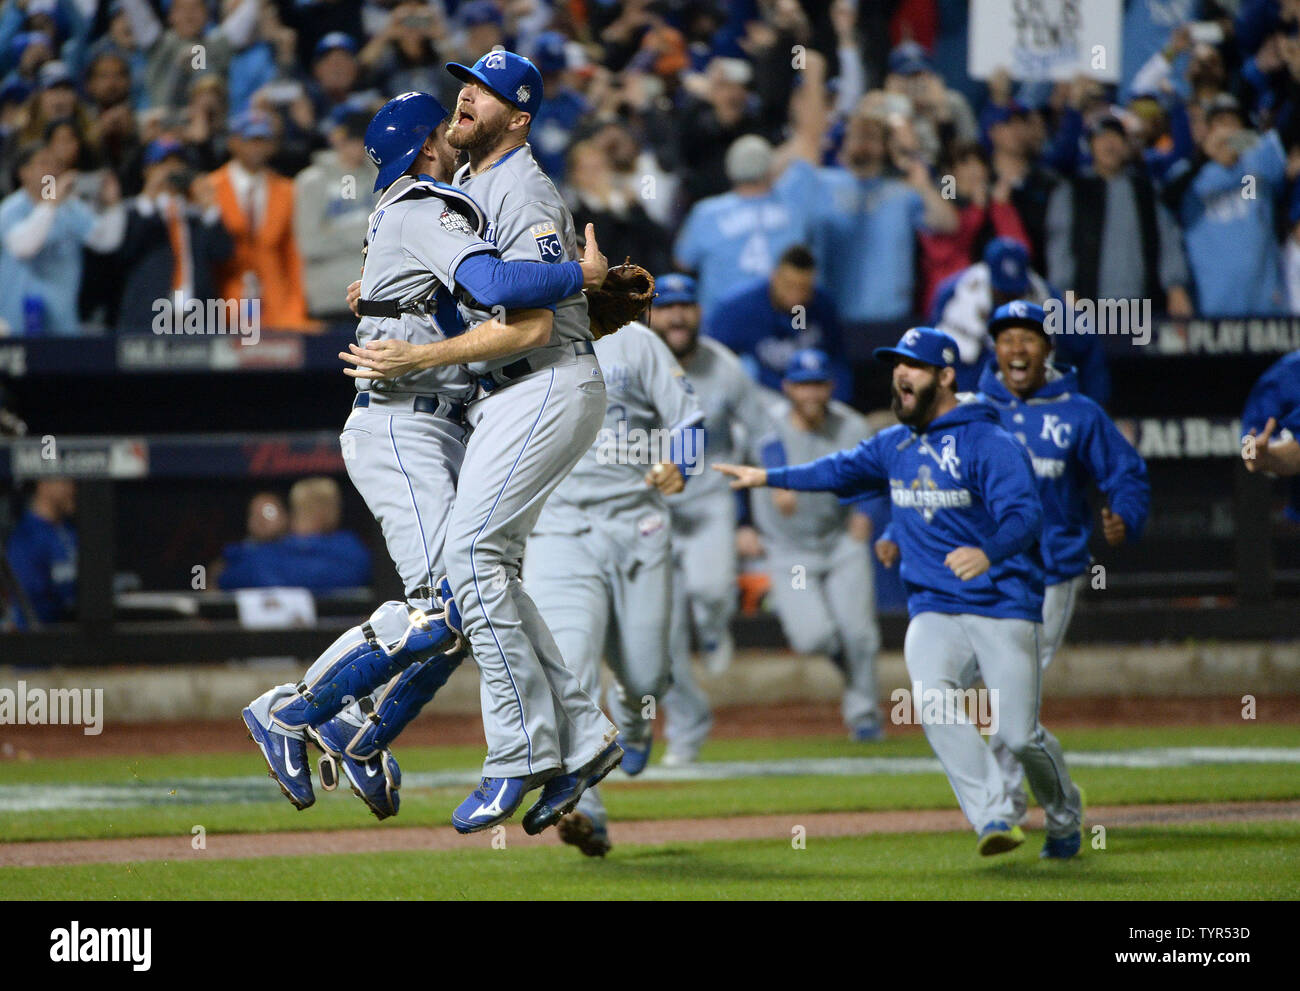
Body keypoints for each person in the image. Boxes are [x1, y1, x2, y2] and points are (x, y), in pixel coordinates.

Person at [243, 90, 608, 822]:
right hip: (403, 423)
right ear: (425, 145)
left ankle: (363, 730)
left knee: (467, 600)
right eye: (442, 129)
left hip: (435, 421)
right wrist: (581, 277)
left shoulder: (415, 208)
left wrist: (384, 294)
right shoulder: (423, 205)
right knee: (445, 608)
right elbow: (493, 284)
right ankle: (294, 711)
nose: (451, 133)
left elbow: (460, 295)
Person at [342, 57, 625, 836]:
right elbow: (476, 287)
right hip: (511, 393)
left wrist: (575, 276)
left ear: (520, 117)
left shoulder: (519, 186)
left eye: (489, 91)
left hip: (543, 379)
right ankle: (583, 733)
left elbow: (521, 313)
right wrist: (389, 295)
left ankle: (517, 754)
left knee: (469, 561)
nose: (468, 94)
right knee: (483, 568)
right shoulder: (470, 191)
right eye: (466, 83)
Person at [715, 326, 1086, 859]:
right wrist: (770, 477)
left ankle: (1064, 814)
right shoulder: (896, 443)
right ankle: (994, 815)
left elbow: (1026, 516)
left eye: (913, 364)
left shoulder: (988, 440)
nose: (900, 373)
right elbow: (837, 471)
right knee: (933, 704)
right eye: (897, 364)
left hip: (1003, 604)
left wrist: (988, 552)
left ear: (945, 376)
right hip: (933, 607)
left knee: (1019, 735)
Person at [525, 320, 705, 857]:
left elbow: (688, 417)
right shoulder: (520, 329)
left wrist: (683, 465)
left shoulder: (635, 341)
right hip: (558, 528)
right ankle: (585, 808)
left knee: (647, 675)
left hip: (637, 526)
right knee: (570, 671)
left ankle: (635, 722)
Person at [970, 301, 1148, 822]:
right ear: (995, 349)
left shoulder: (1077, 411)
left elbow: (1125, 473)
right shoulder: (972, 408)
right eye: (1006, 339)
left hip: (1052, 570)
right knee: (978, 686)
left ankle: (1005, 802)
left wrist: (1126, 515)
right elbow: (931, 473)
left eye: (1028, 338)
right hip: (986, 573)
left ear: (1048, 349)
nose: (1017, 349)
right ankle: (1041, 799)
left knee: (1010, 688)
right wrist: (895, 529)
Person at [648, 272, 781, 766]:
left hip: (708, 502)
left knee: (709, 593)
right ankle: (686, 728)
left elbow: (766, 429)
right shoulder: (633, 357)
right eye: (667, 306)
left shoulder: (725, 366)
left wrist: (774, 482)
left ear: (699, 313)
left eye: (686, 305)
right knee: (659, 638)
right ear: (649, 313)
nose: (677, 315)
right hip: (649, 509)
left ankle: (714, 623)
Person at [748, 349, 882, 741]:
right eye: (802, 385)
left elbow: (875, 475)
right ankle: (843, 660)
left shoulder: (850, 425)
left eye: (818, 384)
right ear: (788, 387)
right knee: (813, 637)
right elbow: (737, 466)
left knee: (860, 633)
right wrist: (744, 520)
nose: (811, 393)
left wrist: (866, 510)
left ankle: (865, 716)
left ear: (830, 387)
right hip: (791, 553)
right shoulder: (765, 425)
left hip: (840, 543)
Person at [1045, 114, 1193, 318]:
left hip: (1143, 306)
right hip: (1087, 305)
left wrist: (1176, 287)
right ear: (1091, 146)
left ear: (1126, 146)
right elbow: (1059, 246)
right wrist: (1065, 292)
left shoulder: (1146, 190)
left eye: (1116, 138)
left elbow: (1168, 239)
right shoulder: (1072, 190)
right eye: (1101, 138)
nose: (1109, 145)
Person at [672, 134, 812, 322]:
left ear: (729, 169)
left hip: (722, 320)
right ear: (769, 169)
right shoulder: (794, 207)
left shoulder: (706, 213)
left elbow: (683, 261)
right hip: (784, 320)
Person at [0, 141, 125, 336]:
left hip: (62, 323)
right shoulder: (11, 209)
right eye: (43, 163)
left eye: (55, 164)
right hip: (15, 325)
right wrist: (51, 202)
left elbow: (106, 241)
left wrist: (113, 206)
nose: (51, 170)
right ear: (24, 172)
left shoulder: (70, 208)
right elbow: (23, 246)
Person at [706, 244, 852, 403]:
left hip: (814, 401)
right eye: (789, 286)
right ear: (774, 277)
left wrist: (838, 403)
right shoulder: (739, 309)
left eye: (803, 288)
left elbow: (837, 361)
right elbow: (713, 362)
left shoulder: (821, 305)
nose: (795, 295)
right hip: (765, 402)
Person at [210, 110, 313, 330]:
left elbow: (294, 255)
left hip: (278, 305)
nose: (257, 147)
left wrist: (296, 308)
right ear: (233, 142)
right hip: (221, 306)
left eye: (263, 140)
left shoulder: (287, 191)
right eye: (250, 140)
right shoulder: (209, 189)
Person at [116, 138, 232, 332]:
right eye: (163, 164)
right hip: (148, 315)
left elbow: (223, 252)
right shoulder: (134, 211)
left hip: (196, 317)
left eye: (178, 165)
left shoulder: (195, 215)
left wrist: (210, 207)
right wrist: (149, 196)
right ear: (147, 170)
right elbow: (125, 252)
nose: (171, 171)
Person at [293, 110, 376, 321]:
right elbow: (310, 244)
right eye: (353, 139)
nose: (358, 147)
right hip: (329, 299)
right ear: (338, 139)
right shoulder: (311, 182)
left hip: (373, 294)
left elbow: (388, 236)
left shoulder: (378, 176)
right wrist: (362, 236)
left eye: (363, 140)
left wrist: (335, 231)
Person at [5, 477, 76, 629]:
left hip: (76, 636)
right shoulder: (26, 537)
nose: (72, 488)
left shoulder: (70, 531)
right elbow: (30, 600)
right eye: (65, 481)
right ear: (44, 484)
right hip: (39, 640)